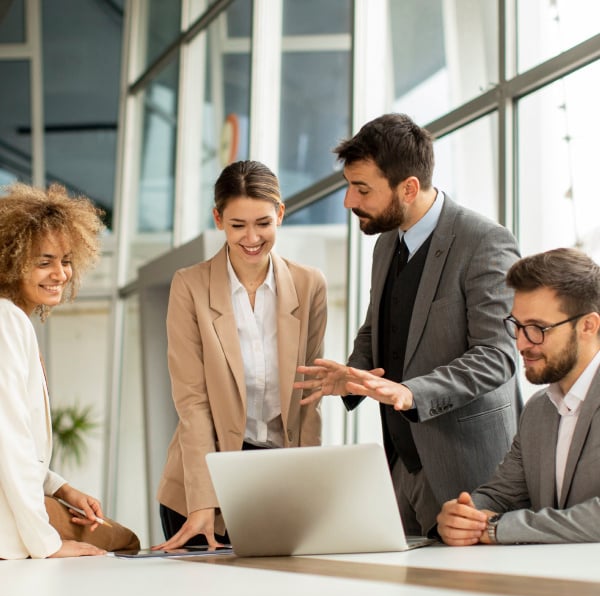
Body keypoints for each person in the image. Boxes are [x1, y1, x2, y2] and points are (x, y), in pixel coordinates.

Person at [296, 113, 521, 537]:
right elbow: (378, 324)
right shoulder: (386, 243)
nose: (348, 201)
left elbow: (498, 355)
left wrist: (411, 392)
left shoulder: (484, 241)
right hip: (401, 465)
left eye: (362, 189)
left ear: (409, 187)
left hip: (470, 471)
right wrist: (352, 373)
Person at [155, 160, 327, 550]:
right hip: (203, 481)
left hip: (278, 478)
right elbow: (192, 402)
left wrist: (311, 491)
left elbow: (309, 397)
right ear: (218, 219)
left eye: (263, 223)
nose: (252, 237)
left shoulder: (309, 284)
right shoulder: (190, 287)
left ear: (280, 214)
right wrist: (203, 501)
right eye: (238, 225)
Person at [0, 182, 140, 559]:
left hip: (20, 511)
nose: (60, 274)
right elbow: (8, 441)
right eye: (44, 261)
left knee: (117, 536)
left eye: (65, 260)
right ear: (10, 261)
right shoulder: (6, 321)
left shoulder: (13, 320)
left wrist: (62, 489)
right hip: (9, 527)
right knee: (123, 541)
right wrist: (49, 545)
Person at [437, 248, 600, 545]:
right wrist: (463, 514)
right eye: (518, 326)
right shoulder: (539, 409)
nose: (522, 343)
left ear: (588, 325)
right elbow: (502, 493)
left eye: (538, 328)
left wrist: (497, 528)